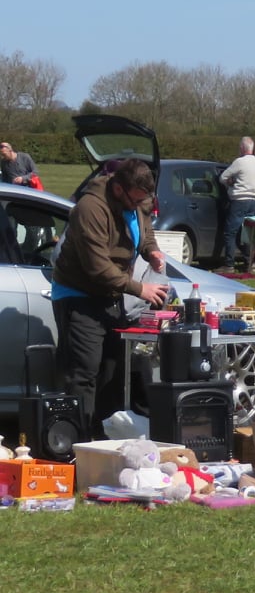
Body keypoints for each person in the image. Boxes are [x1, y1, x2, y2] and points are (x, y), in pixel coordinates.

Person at [51, 158, 171, 437]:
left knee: (114, 371)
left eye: (146, 199)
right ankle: (77, 442)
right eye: (137, 198)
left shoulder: (136, 200)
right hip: (78, 295)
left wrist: (151, 251)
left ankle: (105, 436)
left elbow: (145, 231)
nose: (141, 204)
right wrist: (141, 289)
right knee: (84, 372)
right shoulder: (90, 209)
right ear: (119, 189)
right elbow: (97, 267)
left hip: (110, 295)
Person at [219, 136, 255, 269]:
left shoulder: (240, 162)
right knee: (246, 233)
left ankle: (229, 264)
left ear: (243, 148)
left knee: (230, 232)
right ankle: (250, 262)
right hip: (252, 201)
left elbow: (223, 177)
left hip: (239, 200)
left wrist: (230, 184)